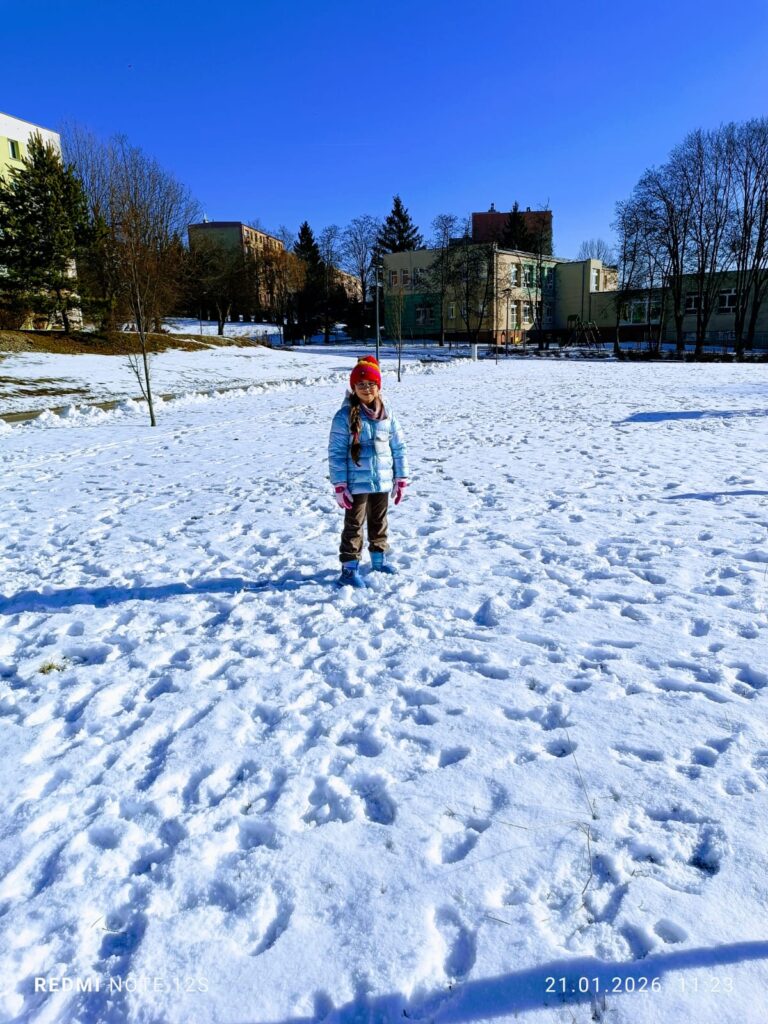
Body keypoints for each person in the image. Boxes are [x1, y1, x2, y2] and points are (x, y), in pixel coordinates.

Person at [328, 356, 409, 588]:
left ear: (378, 386)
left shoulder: (387, 414)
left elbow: (399, 447)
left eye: (371, 383)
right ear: (353, 387)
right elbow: (335, 453)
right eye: (361, 384)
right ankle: (349, 569)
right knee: (354, 525)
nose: (366, 388)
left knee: (379, 522)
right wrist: (340, 485)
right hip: (356, 483)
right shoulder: (344, 416)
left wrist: (401, 477)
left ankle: (378, 560)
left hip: (382, 481)